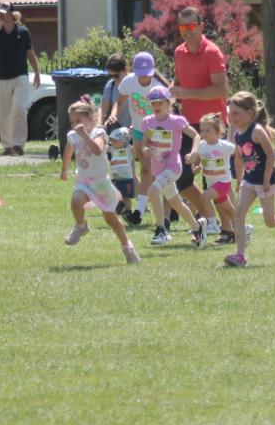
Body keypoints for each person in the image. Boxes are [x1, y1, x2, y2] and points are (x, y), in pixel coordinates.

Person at [224, 91, 275, 268]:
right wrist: (239, 182)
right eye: (230, 113)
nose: (232, 117)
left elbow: (271, 156)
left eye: (235, 113)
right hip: (249, 180)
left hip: (266, 181)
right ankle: (240, 255)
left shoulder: (257, 131)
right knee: (238, 214)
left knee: (270, 222)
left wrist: (267, 181)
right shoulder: (238, 134)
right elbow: (238, 160)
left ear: (249, 113)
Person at [59, 96, 139, 265]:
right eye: (72, 122)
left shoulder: (99, 133)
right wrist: (64, 169)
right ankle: (81, 227)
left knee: (111, 221)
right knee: (75, 202)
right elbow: (68, 149)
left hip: (101, 183)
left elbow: (97, 150)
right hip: (83, 180)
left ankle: (127, 247)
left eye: (78, 121)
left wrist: (84, 135)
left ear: (90, 119)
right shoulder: (73, 135)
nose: (75, 126)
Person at [169, 7, 226, 227]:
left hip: (213, 125)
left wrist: (188, 93)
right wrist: (169, 98)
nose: (187, 31)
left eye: (191, 26)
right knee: (182, 178)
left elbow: (221, 90)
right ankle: (211, 222)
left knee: (213, 179)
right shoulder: (179, 52)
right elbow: (178, 82)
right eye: (182, 27)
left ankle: (229, 226)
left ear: (201, 26)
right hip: (189, 126)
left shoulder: (212, 52)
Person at [140, 87, 206, 248]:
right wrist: (145, 149)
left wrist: (193, 153)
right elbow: (143, 143)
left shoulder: (177, 121)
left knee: (152, 191)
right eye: (153, 103)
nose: (156, 106)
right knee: (176, 203)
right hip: (158, 170)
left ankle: (161, 229)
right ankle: (198, 228)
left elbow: (196, 135)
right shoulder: (147, 122)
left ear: (168, 103)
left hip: (173, 168)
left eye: (160, 102)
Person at [110, 51, 170, 226]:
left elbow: (168, 110)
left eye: (147, 75)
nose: (144, 79)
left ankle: (167, 211)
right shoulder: (128, 81)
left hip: (157, 132)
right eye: (140, 75)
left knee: (159, 171)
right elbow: (120, 102)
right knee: (145, 170)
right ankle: (140, 211)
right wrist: (114, 114)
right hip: (138, 130)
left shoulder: (158, 86)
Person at [0, 4, 41, 156]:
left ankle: (18, 145)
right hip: (1, 78)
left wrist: (36, 73)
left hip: (20, 76)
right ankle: (8, 147)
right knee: (4, 113)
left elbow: (30, 53)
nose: (1, 16)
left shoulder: (23, 32)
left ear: (12, 14)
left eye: (4, 13)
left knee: (20, 108)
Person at [186, 113, 241, 244]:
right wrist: (195, 168)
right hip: (212, 183)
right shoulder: (201, 146)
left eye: (207, 131)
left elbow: (239, 153)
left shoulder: (225, 146)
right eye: (201, 130)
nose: (203, 133)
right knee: (229, 210)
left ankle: (213, 223)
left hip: (223, 182)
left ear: (217, 131)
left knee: (204, 198)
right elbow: (196, 162)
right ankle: (242, 227)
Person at [101, 53, 129, 128]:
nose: (114, 78)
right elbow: (103, 109)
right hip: (120, 129)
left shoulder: (135, 83)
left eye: (116, 75)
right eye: (111, 75)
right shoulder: (110, 85)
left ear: (126, 70)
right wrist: (99, 124)